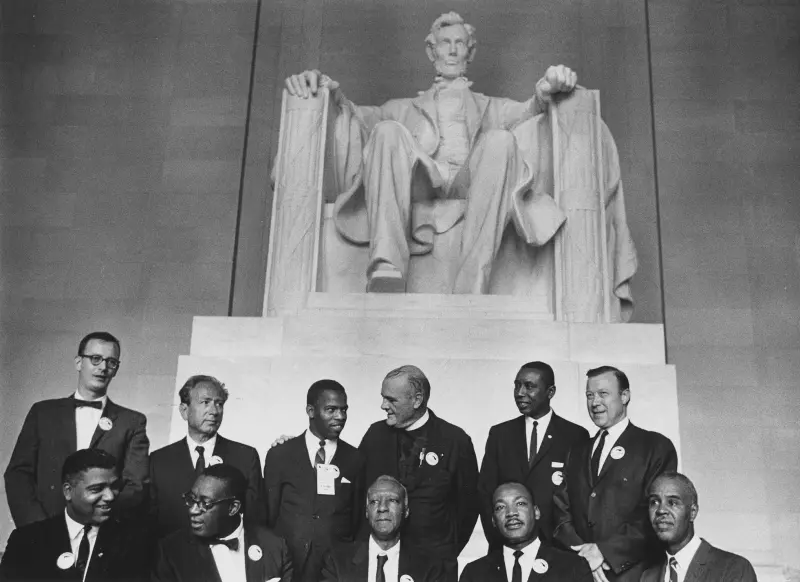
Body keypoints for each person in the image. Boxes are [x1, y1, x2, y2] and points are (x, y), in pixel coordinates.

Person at [285, 12, 577, 294]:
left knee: (501, 140)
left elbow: (530, 111)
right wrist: (325, 91)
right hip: (422, 181)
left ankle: (473, 279)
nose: (451, 50)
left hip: (472, 182)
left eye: (459, 43)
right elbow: (352, 117)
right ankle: (387, 264)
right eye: (444, 43)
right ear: (431, 51)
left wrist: (546, 88)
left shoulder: (493, 107)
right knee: (387, 131)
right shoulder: (399, 108)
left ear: (470, 52)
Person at [4, 331, 149, 527]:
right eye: (96, 359)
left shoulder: (131, 422)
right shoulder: (42, 412)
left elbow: (135, 486)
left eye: (111, 362)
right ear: (79, 363)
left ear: (116, 370)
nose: (103, 367)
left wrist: (97, 522)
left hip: (100, 535)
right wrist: (36, 528)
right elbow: (18, 474)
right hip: (42, 532)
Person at [552, 366, 678, 581]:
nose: (595, 402)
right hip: (580, 572)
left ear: (625, 396)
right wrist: (584, 555)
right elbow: (560, 510)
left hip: (634, 574)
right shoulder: (577, 451)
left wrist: (604, 551)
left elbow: (655, 513)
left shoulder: (654, 447)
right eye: (589, 395)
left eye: (603, 394)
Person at [358, 365, 479, 574]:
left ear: (417, 400)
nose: (382, 405)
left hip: (436, 565)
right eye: (383, 397)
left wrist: (444, 552)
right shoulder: (375, 435)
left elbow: (468, 508)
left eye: (391, 400)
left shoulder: (456, 441)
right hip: (383, 564)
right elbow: (356, 489)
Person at [478, 361, 589, 548]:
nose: (520, 393)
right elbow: (485, 493)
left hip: (559, 550)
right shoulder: (500, 434)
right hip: (509, 548)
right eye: (517, 385)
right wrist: (499, 542)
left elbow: (578, 499)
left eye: (529, 386)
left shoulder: (575, 435)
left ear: (550, 392)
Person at [263, 380, 366, 582]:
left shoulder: (356, 459)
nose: (340, 417)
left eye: (344, 410)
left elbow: (357, 520)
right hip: (288, 563)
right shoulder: (280, 454)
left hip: (334, 568)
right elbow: (269, 513)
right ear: (311, 411)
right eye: (331, 409)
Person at [0, 449, 150, 582]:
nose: (110, 496)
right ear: (68, 491)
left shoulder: (135, 542)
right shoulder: (25, 541)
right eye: (97, 489)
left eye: (115, 487)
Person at [149, 375, 266, 537]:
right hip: (172, 558)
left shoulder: (245, 457)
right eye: (205, 402)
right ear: (184, 410)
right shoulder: (158, 460)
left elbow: (255, 519)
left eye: (219, 404)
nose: (214, 411)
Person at [152, 464, 292, 582]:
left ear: (233, 508)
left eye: (205, 503)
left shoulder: (275, 547)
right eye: (191, 499)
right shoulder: (171, 552)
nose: (193, 510)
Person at [321, 475, 444, 582]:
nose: (382, 507)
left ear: (405, 511)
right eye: (374, 501)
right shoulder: (337, 561)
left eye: (392, 500)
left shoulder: (428, 566)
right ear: (366, 512)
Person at [460, 482, 591, 582]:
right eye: (500, 507)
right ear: (493, 520)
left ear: (536, 512)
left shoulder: (573, 567)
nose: (511, 513)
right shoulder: (474, 573)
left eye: (520, 503)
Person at [641, 472, 757, 582]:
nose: (661, 510)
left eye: (672, 502)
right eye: (654, 502)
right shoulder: (648, 577)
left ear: (693, 512)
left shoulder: (734, 568)